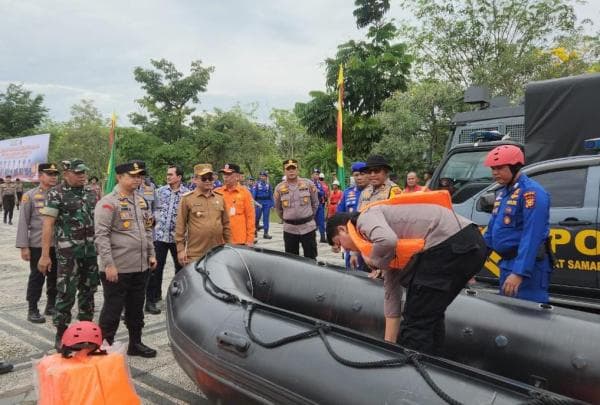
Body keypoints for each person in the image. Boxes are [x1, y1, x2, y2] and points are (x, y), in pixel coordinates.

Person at [326, 198, 487, 354]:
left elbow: (387, 241)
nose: (345, 250)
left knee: (415, 320)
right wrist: (388, 344)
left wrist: (374, 261)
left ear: (342, 230)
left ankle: (411, 371)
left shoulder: (365, 219)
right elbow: (392, 294)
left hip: (451, 246)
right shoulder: (382, 240)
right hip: (470, 246)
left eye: (339, 244)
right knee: (430, 313)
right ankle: (434, 363)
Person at [94, 161, 158, 357]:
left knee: (136, 309)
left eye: (140, 176)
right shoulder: (108, 202)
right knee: (112, 310)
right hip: (118, 268)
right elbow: (101, 236)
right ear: (120, 177)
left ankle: (135, 344)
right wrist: (109, 265)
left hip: (139, 267)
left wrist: (151, 253)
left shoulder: (140, 201)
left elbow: (147, 230)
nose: (137, 179)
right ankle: (104, 346)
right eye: (133, 176)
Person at [38, 159, 99, 350]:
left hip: (90, 253)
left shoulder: (92, 193)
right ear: (67, 174)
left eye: (84, 173)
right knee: (65, 293)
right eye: (78, 173)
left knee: (88, 293)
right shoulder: (56, 194)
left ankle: (86, 331)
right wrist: (45, 255)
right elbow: (47, 225)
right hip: (68, 254)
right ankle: (61, 333)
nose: (82, 176)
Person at [482, 145, 552, 303]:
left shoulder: (532, 193)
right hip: (507, 265)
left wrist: (519, 273)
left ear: (514, 167)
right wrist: (473, 264)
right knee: (509, 318)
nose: (494, 172)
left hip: (528, 268)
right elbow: (491, 231)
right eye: (493, 168)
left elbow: (532, 235)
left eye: (499, 168)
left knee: (527, 318)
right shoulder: (503, 193)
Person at [16, 163, 59, 323]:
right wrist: (24, 246)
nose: (54, 176)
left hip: (58, 244)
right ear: (40, 176)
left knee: (55, 276)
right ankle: (32, 308)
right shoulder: (30, 195)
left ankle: (51, 305)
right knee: (37, 276)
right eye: (50, 174)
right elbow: (23, 223)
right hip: (37, 245)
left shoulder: (59, 194)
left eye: (55, 174)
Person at [146, 165, 189, 315]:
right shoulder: (159, 192)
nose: (168, 177)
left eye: (171, 174)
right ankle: (152, 299)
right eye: (167, 174)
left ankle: (177, 298)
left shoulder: (187, 194)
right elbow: (151, 210)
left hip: (177, 238)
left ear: (179, 177)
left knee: (180, 269)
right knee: (155, 268)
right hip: (159, 237)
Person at [175, 164, 231, 266]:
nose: (208, 181)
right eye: (204, 178)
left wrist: (229, 246)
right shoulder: (187, 199)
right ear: (195, 180)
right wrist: (180, 250)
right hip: (195, 254)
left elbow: (226, 225)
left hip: (217, 252)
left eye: (210, 178)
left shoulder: (220, 198)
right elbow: (180, 226)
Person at [357, 155, 402, 278]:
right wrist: (355, 252)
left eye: (376, 171)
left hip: (384, 248)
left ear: (386, 172)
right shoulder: (365, 192)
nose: (372, 175)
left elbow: (397, 226)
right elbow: (357, 220)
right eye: (369, 171)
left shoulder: (394, 191)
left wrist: (382, 263)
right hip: (365, 248)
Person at [274, 159, 319, 259]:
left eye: (293, 168)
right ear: (284, 171)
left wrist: (308, 217)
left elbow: (315, 203)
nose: (291, 171)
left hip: (308, 228)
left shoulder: (308, 184)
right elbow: (278, 208)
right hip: (290, 229)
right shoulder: (279, 188)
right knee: (292, 261)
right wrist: (288, 218)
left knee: (311, 258)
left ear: (298, 170)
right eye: (288, 169)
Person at [336, 162, 369, 271]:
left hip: (369, 241)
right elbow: (339, 217)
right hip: (351, 240)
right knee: (351, 272)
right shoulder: (347, 193)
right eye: (356, 175)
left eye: (362, 174)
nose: (359, 177)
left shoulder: (376, 192)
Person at [214, 163, 255, 246]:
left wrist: (250, 240)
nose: (225, 176)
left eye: (229, 174)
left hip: (239, 240)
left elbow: (250, 218)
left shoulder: (245, 193)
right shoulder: (217, 192)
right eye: (224, 174)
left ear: (237, 176)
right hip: (220, 240)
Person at [252, 171, 274, 239]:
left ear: (266, 177)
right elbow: (253, 195)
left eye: (264, 176)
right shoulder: (256, 185)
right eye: (261, 176)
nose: (262, 177)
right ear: (260, 177)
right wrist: (254, 203)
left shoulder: (268, 185)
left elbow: (271, 195)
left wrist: (272, 205)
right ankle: (254, 232)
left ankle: (266, 233)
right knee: (256, 218)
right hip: (259, 202)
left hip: (267, 203)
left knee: (266, 218)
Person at [311, 169, 327, 243]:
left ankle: (322, 237)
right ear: (312, 175)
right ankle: (311, 238)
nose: (316, 176)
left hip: (319, 204)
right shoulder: (309, 183)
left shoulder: (319, 184)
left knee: (321, 220)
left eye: (318, 174)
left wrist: (318, 191)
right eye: (315, 174)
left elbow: (323, 193)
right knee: (311, 221)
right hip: (311, 205)